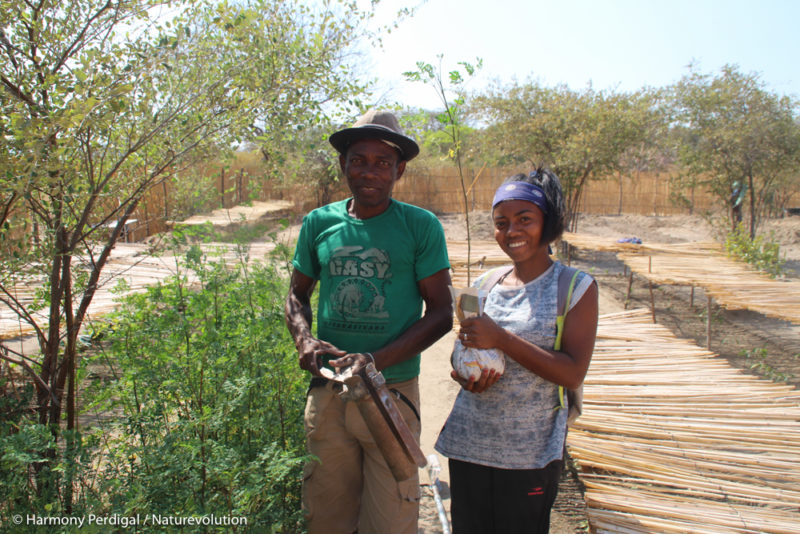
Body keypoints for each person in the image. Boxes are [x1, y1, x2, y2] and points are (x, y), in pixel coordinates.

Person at [285, 109, 453, 534]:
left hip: (390, 395)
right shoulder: (320, 224)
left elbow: (440, 314)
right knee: (325, 516)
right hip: (328, 394)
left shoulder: (421, 227)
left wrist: (372, 360)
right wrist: (304, 339)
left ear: (400, 169)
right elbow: (296, 294)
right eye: (358, 160)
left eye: (382, 163)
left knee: (392, 519)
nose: (369, 172)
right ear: (343, 165)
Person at [434, 168, 599, 534]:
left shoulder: (574, 287)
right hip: (470, 443)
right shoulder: (485, 284)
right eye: (501, 222)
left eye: (525, 219)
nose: (512, 231)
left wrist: (503, 339)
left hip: (530, 455)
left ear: (548, 222)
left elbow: (572, 373)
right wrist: (466, 373)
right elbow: (468, 345)